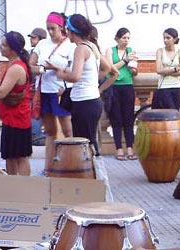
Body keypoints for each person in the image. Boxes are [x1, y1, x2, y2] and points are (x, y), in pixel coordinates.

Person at [56, 14, 118, 155]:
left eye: (67, 30)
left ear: (71, 31)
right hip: (91, 100)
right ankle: (95, 174)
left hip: (84, 102)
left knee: (84, 147)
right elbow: (107, 68)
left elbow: (75, 76)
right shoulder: (91, 46)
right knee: (90, 144)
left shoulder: (80, 49)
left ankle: (94, 175)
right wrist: (92, 83)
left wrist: (61, 74)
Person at [29, 12, 75, 174]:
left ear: (61, 27)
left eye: (53, 28)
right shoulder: (42, 44)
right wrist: (41, 69)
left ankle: (71, 164)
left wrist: (54, 68)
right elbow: (31, 65)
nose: (50, 32)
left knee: (68, 130)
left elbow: (73, 70)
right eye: (48, 28)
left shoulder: (70, 45)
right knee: (50, 131)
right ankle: (48, 167)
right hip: (45, 91)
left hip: (61, 90)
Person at [0, 31, 32, 176]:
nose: (0, 46)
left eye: (4, 44)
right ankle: (12, 185)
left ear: (12, 49)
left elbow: (1, 92)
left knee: (20, 156)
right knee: (10, 155)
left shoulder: (16, 68)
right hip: (11, 118)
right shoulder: (13, 64)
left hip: (17, 118)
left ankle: (25, 187)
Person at [105, 27, 139, 161]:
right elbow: (109, 68)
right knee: (116, 118)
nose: (126, 41)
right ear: (117, 38)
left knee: (128, 118)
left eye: (128, 38)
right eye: (124, 38)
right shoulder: (110, 51)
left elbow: (134, 71)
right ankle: (119, 148)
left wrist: (134, 69)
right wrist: (125, 61)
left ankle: (130, 147)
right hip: (114, 86)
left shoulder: (130, 51)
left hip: (127, 86)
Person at [153, 28, 180, 110]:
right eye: (164, 38)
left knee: (175, 113)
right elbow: (159, 70)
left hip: (176, 85)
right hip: (163, 86)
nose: (165, 40)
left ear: (175, 39)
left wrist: (165, 71)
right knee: (168, 111)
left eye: (168, 38)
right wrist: (174, 69)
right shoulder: (160, 51)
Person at [27, 27, 48, 146]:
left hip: (44, 89)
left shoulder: (47, 52)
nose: (31, 40)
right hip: (31, 90)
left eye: (34, 38)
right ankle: (36, 135)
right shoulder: (29, 53)